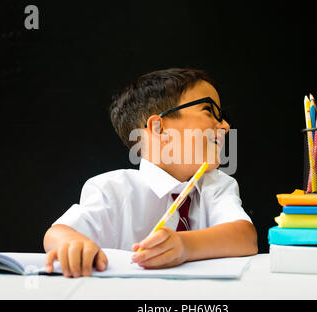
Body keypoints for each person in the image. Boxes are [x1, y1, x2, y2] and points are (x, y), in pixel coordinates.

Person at [43, 68, 258, 278]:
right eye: (209, 111)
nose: (226, 126)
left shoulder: (216, 185)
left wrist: (184, 246)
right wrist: (73, 245)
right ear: (159, 128)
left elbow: (245, 237)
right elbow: (57, 233)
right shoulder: (113, 189)